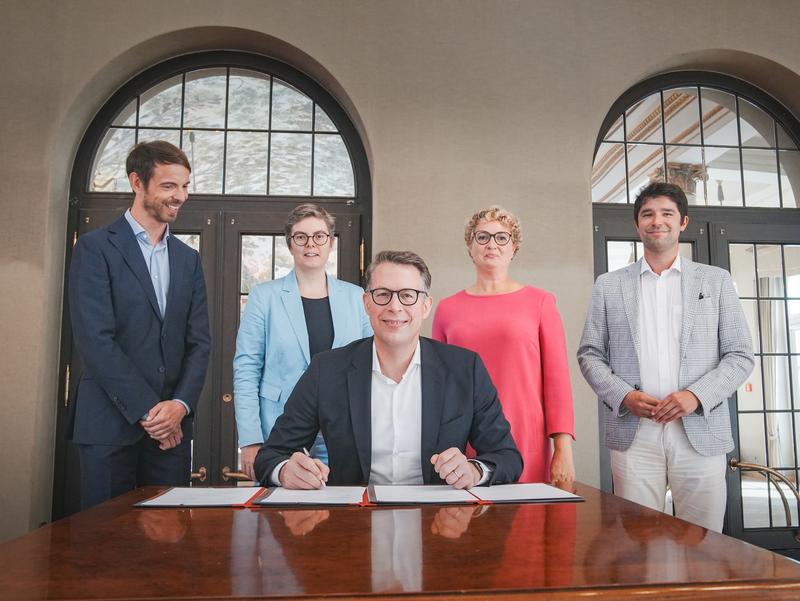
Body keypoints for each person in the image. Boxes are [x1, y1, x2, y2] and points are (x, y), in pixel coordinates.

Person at [254, 250, 522, 488]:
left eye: (408, 296)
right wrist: (285, 471)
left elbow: (507, 457)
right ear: (367, 303)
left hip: (440, 523)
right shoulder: (327, 369)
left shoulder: (465, 369)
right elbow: (271, 455)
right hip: (352, 525)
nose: (395, 307)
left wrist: (475, 471)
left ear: (425, 306)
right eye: (382, 294)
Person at [577, 182, 754, 532]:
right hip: (634, 434)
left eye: (666, 213)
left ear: (683, 222)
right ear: (637, 225)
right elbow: (590, 355)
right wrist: (623, 395)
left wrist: (695, 396)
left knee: (704, 541)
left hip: (700, 432)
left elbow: (740, 355)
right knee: (637, 542)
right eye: (648, 214)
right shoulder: (609, 285)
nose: (657, 220)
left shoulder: (716, 281)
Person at [68, 140, 210, 509]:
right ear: (137, 182)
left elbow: (200, 343)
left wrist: (178, 406)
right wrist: (151, 412)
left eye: (184, 186)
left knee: (166, 550)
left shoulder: (188, 260)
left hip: (172, 434)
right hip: (108, 427)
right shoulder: (95, 248)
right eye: (168, 186)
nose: (180, 196)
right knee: (104, 546)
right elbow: (96, 340)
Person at [432, 206, 575, 485]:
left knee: (526, 524)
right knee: (468, 523)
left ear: (514, 248)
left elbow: (557, 381)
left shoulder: (540, 302)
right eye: (482, 237)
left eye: (502, 238)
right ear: (470, 246)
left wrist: (563, 448)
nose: (491, 245)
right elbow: (437, 385)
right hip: (463, 437)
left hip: (525, 434)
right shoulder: (447, 309)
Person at [233, 204, 372, 480]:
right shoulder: (264, 297)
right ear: (290, 244)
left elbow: (370, 363)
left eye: (319, 236)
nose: (311, 244)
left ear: (330, 243)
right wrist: (250, 439)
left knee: (343, 514)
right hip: (281, 427)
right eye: (301, 237)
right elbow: (246, 368)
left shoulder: (356, 298)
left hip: (342, 427)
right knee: (281, 517)